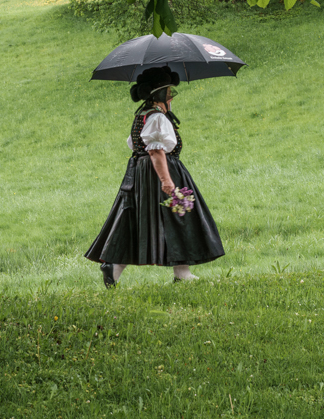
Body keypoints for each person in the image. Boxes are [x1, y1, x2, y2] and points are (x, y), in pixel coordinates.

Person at [85, 66, 225, 287]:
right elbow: (155, 151)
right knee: (179, 215)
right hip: (159, 171)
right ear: (158, 94)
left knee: (138, 219)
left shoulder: (142, 115)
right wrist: (167, 180)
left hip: (141, 175)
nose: (171, 96)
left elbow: (136, 145)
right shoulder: (158, 118)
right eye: (168, 92)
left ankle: (116, 267)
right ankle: (180, 273)